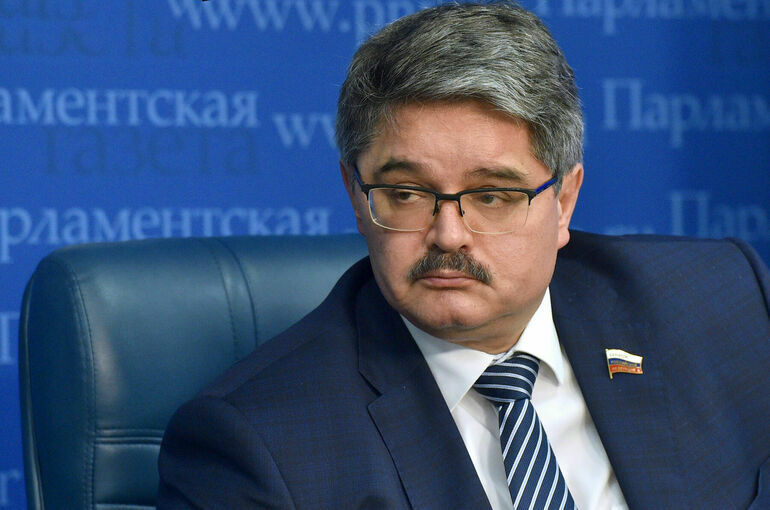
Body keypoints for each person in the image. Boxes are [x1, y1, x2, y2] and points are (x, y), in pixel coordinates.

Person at [157, 2, 770, 509]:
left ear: (564, 202)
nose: (448, 235)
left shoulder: (723, 304)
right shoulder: (260, 447)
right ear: (355, 195)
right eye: (406, 193)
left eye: (492, 196)